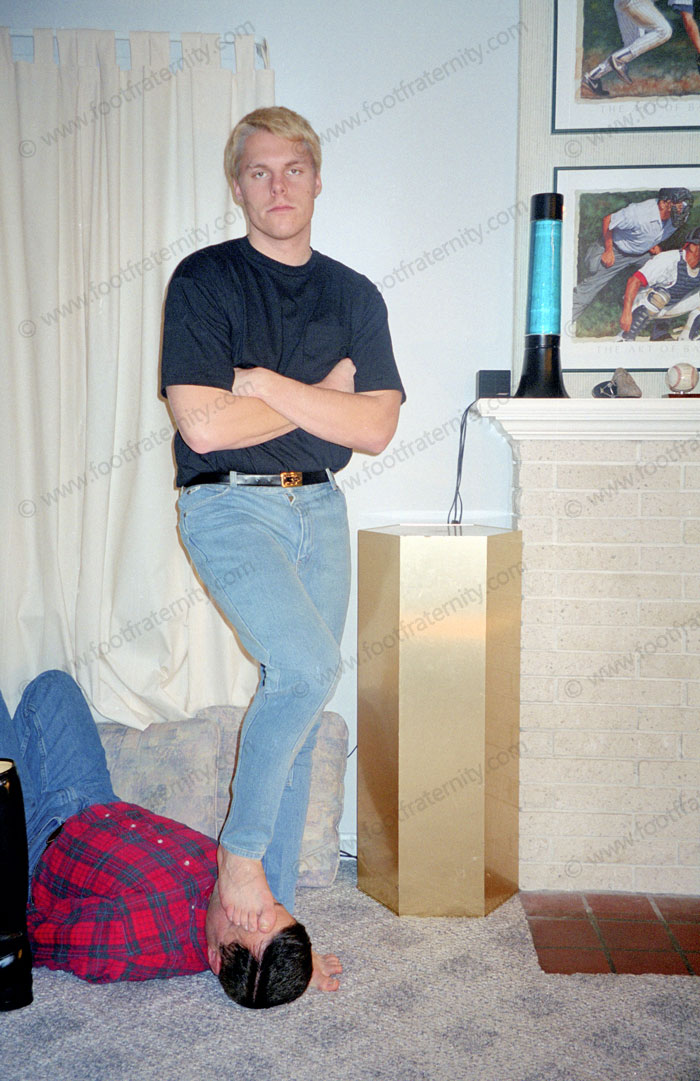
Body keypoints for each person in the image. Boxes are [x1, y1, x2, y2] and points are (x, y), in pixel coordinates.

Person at [160, 109, 404, 950]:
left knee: (299, 705)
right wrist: (325, 392)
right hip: (228, 505)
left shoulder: (353, 294)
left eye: (292, 169)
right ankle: (239, 862)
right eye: (259, 172)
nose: (277, 186)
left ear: (317, 179)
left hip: (321, 506)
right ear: (238, 187)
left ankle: (270, 926)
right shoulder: (204, 280)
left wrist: (262, 383)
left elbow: (375, 428)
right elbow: (202, 429)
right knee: (305, 667)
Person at [0, 670, 339, 1010]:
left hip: (26, 841)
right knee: (54, 687)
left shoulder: (130, 939)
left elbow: (31, 934)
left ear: (215, 958)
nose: (251, 897)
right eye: (273, 907)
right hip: (94, 798)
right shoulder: (249, 889)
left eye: (244, 916)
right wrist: (294, 960)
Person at [571, 188, 693, 322]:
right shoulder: (638, 213)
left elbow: (655, 231)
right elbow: (608, 220)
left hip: (642, 252)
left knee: (666, 275)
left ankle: (645, 316)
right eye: (678, 203)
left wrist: (651, 243)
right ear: (663, 203)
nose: (682, 207)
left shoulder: (679, 215)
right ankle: (566, 319)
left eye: (683, 203)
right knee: (589, 285)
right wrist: (608, 250)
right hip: (617, 249)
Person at [582, 0, 699, 97]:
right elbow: (688, 21)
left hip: (621, 3)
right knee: (664, 31)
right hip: (636, 3)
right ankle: (618, 59)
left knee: (633, 47)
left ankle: (592, 77)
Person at [618, 225, 700, 339]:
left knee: (667, 295)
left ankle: (686, 337)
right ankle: (625, 336)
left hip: (668, 306)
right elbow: (634, 281)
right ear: (693, 246)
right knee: (660, 296)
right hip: (640, 302)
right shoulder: (669, 259)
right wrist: (626, 313)